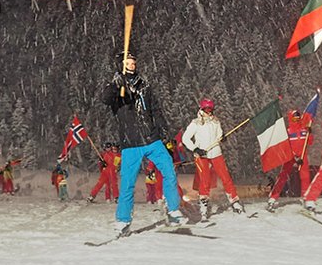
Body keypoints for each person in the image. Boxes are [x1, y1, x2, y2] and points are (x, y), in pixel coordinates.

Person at [102, 51, 186, 235]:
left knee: (169, 172)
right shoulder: (116, 87)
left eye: (133, 61)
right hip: (130, 143)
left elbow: (156, 111)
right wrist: (117, 85)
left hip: (151, 139)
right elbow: (105, 99)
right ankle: (123, 221)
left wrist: (165, 135)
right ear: (121, 64)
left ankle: (172, 210)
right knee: (127, 184)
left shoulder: (144, 86)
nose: (132, 63)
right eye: (128, 61)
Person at [181, 98, 245, 219]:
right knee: (204, 180)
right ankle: (204, 204)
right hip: (202, 155)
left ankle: (234, 200)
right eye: (206, 109)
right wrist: (195, 149)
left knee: (225, 177)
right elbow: (185, 138)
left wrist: (222, 137)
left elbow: (219, 135)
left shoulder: (216, 121)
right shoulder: (196, 123)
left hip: (216, 153)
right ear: (201, 109)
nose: (209, 112)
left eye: (211, 109)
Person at [267, 108, 314, 212]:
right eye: (294, 117)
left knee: (305, 177)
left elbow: (310, 142)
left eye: (298, 117)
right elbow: (286, 147)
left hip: (302, 156)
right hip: (290, 157)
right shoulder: (288, 132)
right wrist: (294, 157)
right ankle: (273, 198)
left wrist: (309, 133)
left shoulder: (303, 129)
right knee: (283, 176)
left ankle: (306, 198)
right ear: (290, 118)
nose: (296, 119)